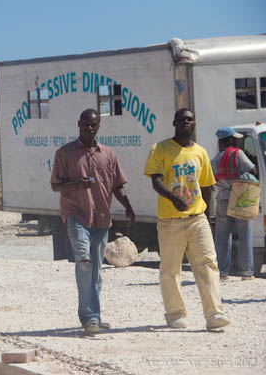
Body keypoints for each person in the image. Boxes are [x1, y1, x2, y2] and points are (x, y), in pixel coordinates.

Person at [50, 108, 135, 336]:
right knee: (84, 262)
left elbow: (117, 185)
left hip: (102, 219)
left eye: (94, 125)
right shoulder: (65, 153)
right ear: (79, 124)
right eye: (86, 124)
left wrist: (128, 207)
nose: (89, 128)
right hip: (76, 215)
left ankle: (94, 316)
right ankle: (89, 318)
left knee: (96, 270)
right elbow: (56, 185)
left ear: (99, 127)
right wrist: (78, 185)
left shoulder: (107, 154)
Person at [144, 108, 229, 330]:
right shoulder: (160, 149)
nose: (186, 123)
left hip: (197, 218)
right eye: (182, 120)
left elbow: (206, 187)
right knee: (171, 269)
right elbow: (156, 181)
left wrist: (208, 217)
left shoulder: (200, 152)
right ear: (174, 123)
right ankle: (175, 314)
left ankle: (214, 315)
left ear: (195, 124)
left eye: (190, 120)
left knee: (208, 264)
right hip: (170, 220)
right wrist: (173, 198)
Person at [211, 127, 257, 281]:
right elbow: (254, 170)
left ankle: (223, 273)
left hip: (222, 198)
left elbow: (209, 181)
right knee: (244, 234)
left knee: (222, 236)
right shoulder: (238, 154)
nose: (236, 141)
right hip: (239, 198)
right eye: (235, 139)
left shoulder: (216, 159)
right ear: (230, 140)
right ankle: (246, 273)